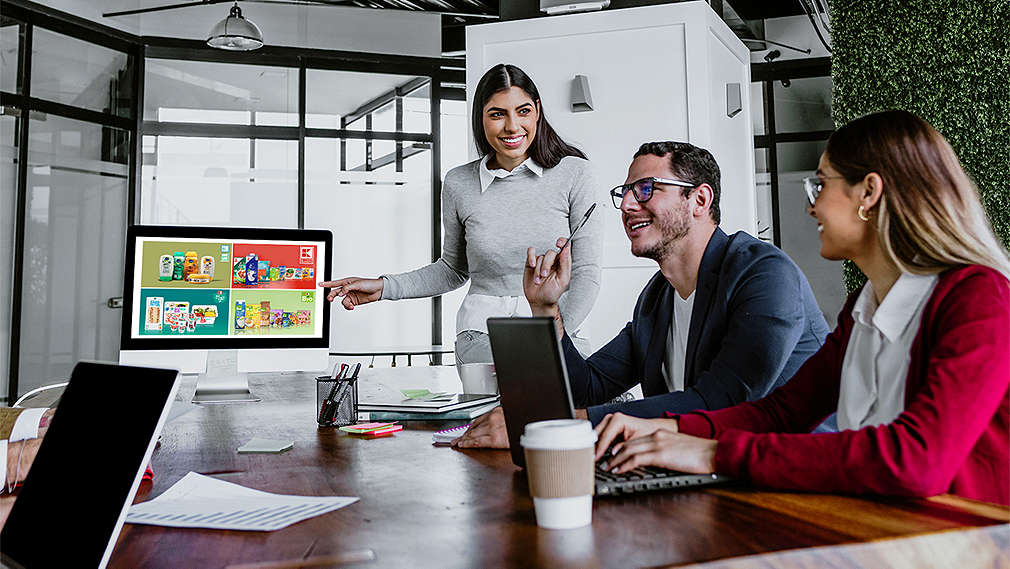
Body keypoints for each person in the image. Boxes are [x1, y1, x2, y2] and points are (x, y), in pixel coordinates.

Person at [594, 110, 1010, 505]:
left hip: (971, 542)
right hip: (885, 527)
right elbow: (783, 411)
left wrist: (712, 454)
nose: (812, 207)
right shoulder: (864, 306)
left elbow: (916, 461)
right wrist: (668, 428)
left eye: (821, 186)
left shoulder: (980, 299)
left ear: (869, 193)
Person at [454, 141, 830, 448]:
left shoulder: (764, 274)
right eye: (626, 193)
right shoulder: (657, 298)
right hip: (701, 474)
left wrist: (556, 427)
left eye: (646, 188)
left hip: (795, 488)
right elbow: (588, 387)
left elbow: (721, 405)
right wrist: (546, 307)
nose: (629, 205)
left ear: (700, 200)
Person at [321, 64, 602, 364]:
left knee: (593, 404)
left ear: (537, 110)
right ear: (480, 118)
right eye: (497, 114)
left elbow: (586, 273)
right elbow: (453, 270)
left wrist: (554, 338)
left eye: (523, 111)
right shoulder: (459, 183)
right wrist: (383, 287)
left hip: (559, 330)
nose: (512, 126)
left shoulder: (574, 173)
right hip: (482, 334)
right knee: (508, 406)